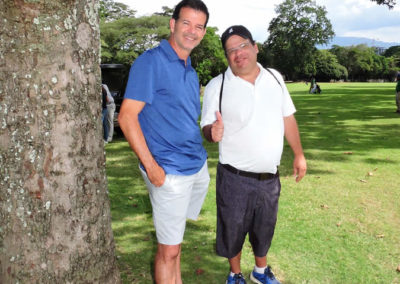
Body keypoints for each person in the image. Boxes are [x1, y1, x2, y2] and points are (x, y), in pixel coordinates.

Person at [201, 25, 307, 284]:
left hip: (270, 177)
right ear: (227, 57)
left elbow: (287, 118)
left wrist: (299, 154)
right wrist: (212, 132)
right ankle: (235, 274)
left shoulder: (274, 77)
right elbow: (206, 126)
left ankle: (260, 271)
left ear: (255, 47)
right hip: (234, 176)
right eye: (231, 51)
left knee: (264, 228)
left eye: (242, 46)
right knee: (233, 228)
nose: (238, 54)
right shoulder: (219, 85)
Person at [118, 1, 210, 283]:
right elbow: (126, 117)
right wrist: (152, 167)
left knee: (174, 243)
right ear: (172, 24)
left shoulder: (190, 70)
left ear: (204, 32)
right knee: (167, 252)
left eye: (199, 26)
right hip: (168, 171)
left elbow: (183, 118)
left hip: (195, 166)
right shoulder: (151, 62)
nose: (192, 31)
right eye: (186, 23)